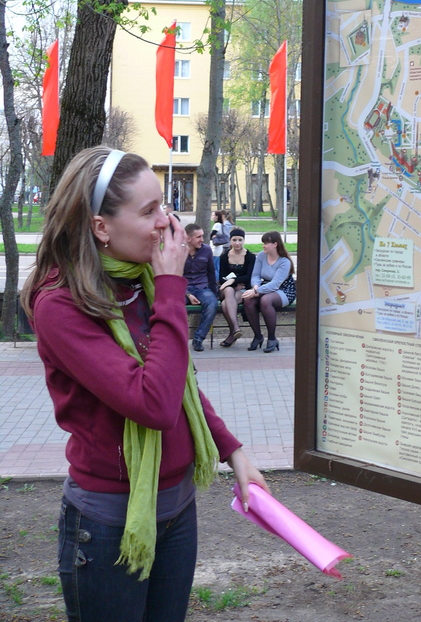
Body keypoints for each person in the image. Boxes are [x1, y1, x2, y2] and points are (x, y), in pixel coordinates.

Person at [20, 146, 267, 622]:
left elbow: (178, 384)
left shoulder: (142, 280)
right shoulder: (61, 304)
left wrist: (233, 451)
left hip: (178, 509)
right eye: (150, 210)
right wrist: (171, 289)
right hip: (109, 522)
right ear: (101, 227)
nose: (167, 223)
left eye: (165, 205)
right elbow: (152, 403)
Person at [242, 230, 296, 353]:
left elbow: (276, 284)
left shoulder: (284, 262)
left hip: (284, 290)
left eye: (266, 243)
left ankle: (272, 338)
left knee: (266, 300)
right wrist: (255, 287)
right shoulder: (261, 256)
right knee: (248, 300)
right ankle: (258, 336)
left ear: (275, 244)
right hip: (264, 287)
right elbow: (255, 275)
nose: (263, 246)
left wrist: (257, 291)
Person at [217, 227, 256, 348]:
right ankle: (236, 327)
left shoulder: (250, 257)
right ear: (230, 240)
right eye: (234, 240)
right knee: (228, 290)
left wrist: (233, 280)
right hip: (226, 289)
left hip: (242, 289)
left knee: (225, 305)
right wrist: (234, 283)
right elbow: (222, 278)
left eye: (240, 240)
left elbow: (249, 277)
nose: (237, 243)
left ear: (244, 240)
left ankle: (233, 332)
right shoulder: (224, 256)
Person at [183, 223, 219, 351]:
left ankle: (198, 339)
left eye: (202, 236)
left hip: (202, 287)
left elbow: (211, 272)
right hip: (183, 289)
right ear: (188, 238)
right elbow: (174, 275)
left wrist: (215, 294)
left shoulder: (206, 250)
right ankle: (178, 339)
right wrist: (188, 294)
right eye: (198, 237)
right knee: (174, 305)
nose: (202, 240)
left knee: (212, 304)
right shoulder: (178, 251)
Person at [210, 210, 233, 281]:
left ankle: (216, 280)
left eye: (213, 215)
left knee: (215, 266)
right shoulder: (221, 224)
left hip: (215, 249)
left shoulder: (217, 225)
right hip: (219, 248)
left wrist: (212, 236)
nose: (212, 217)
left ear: (217, 216)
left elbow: (211, 235)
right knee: (217, 265)